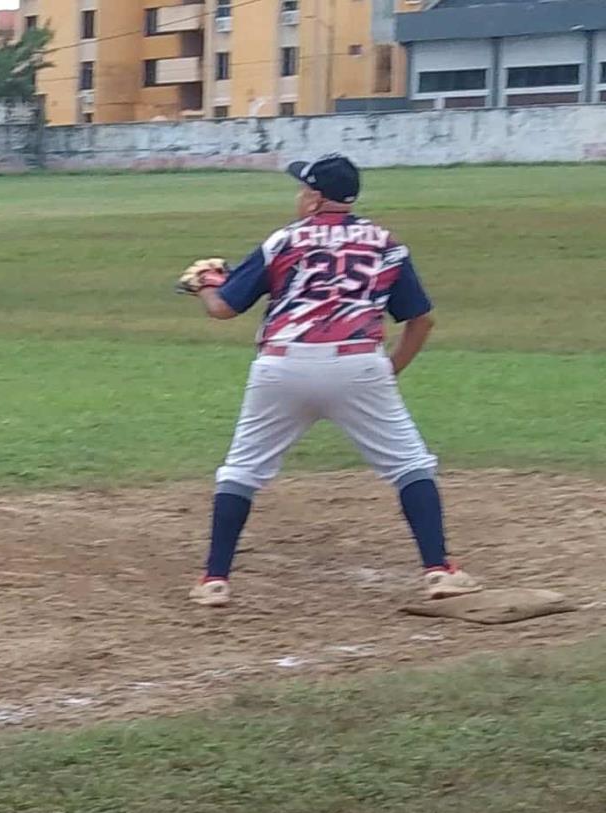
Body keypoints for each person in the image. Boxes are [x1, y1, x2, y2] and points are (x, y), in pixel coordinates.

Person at [176, 153, 484, 608]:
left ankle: (214, 580)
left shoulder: (285, 240)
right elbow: (421, 321)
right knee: (410, 466)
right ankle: (439, 571)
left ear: (317, 199)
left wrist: (204, 282)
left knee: (241, 470)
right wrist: (387, 372)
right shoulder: (384, 242)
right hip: (359, 363)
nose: (299, 196)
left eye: (304, 189)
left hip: (282, 364)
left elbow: (223, 308)